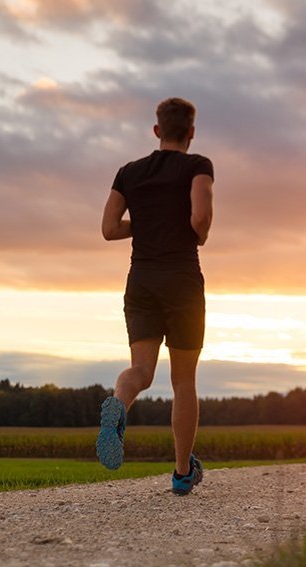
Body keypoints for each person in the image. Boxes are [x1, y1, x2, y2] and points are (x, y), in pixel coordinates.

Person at [96, 97, 214, 496]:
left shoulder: (129, 172)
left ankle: (118, 403)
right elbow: (200, 216)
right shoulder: (198, 166)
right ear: (191, 132)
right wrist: (196, 231)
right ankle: (183, 472)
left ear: (157, 130)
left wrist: (145, 224)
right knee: (183, 381)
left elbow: (109, 228)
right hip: (182, 281)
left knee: (141, 373)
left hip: (141, 281)